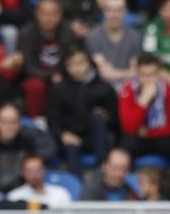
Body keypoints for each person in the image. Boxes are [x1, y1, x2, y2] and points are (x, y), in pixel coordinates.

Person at [118, 53, 170, 171]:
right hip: (139, 139)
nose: (148, 79)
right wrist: (143, 101)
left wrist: (149, 133)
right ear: (137, 73)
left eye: (152, 75)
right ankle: (129, 184)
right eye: (143, 75)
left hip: (162, 136)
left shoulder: (167, 89)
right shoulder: (128, 89)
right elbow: (128, 128)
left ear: (159, 73)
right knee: (125, 147)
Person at [46, 46, 117, 174]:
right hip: (69, 137)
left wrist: (106, 117)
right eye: (71, 64)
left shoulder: (104, 89)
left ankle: (102, 169)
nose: (76, 68)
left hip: (95, 136)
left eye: (80, 63)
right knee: (71, 147)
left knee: (97, 118)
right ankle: (76, 184)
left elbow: (115, 122)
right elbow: (52, 120)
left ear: (89, 63)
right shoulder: (59, 89)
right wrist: (63, 134)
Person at [85, 0, 141, 90]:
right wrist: (127, 72)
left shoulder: (135, 36)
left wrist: (118, 73)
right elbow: (106, 74)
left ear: (125, 11)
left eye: (119, 10)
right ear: (103, 11)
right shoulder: (93, 36)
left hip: (129, 88)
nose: (114, 15)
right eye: (110, 10)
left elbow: (135, 72)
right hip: (101, 89)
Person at [7, 154, 72, 208]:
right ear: (22, 173)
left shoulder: (60, 193)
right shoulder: (14, 197)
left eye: (37, 170)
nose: (34, 175)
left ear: (44, 170)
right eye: (29, 171)